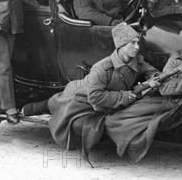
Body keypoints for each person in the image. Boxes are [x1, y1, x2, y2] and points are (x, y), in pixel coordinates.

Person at [39, 23, 161, 161]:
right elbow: (95, 97)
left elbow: (152, 72)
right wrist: (124, 96)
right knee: (55, 103)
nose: (137, 47)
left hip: (100, 99)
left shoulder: (137, 61)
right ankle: (28, 109)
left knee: (54, 103)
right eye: (132, 43)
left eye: (137, 42)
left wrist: (154, 80)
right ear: (121, 45)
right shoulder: (102, 67)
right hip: (79, 95)